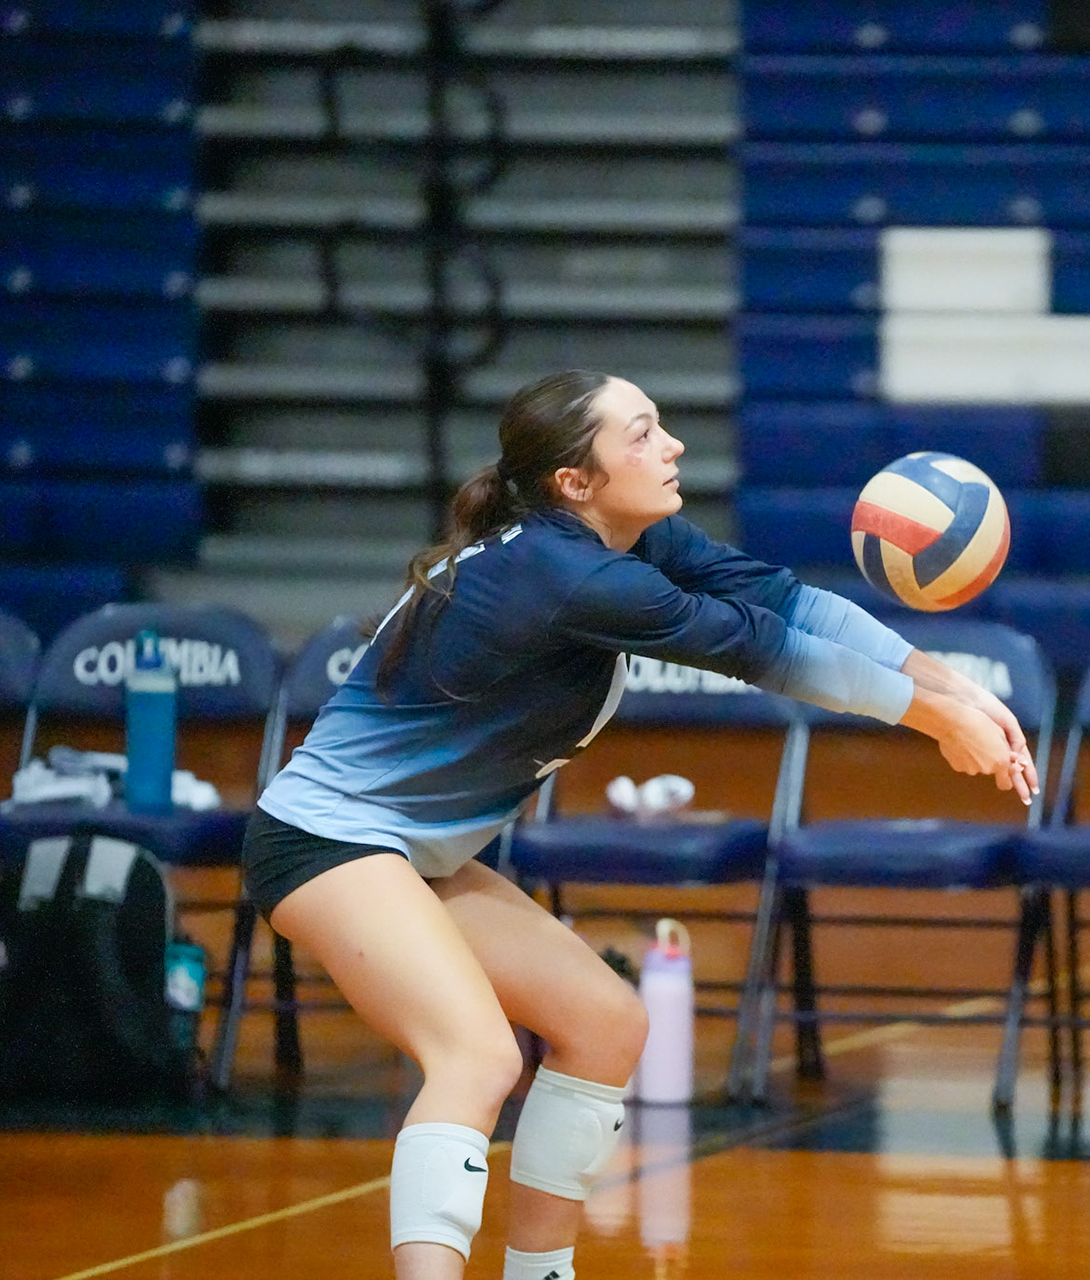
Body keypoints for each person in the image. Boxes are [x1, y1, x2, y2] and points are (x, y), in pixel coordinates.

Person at [242, 369, 1039, 1280]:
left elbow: (785, 602)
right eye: (643, 434)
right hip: (327, 843)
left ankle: (540, 1274)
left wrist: (957, 688)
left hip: (411, 853)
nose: (673, 446)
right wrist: (937, 722)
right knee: (475, 1055)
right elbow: (761, 650)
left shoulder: (630, 538)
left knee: (605, 1023)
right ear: (574, 481)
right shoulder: (568, 576)